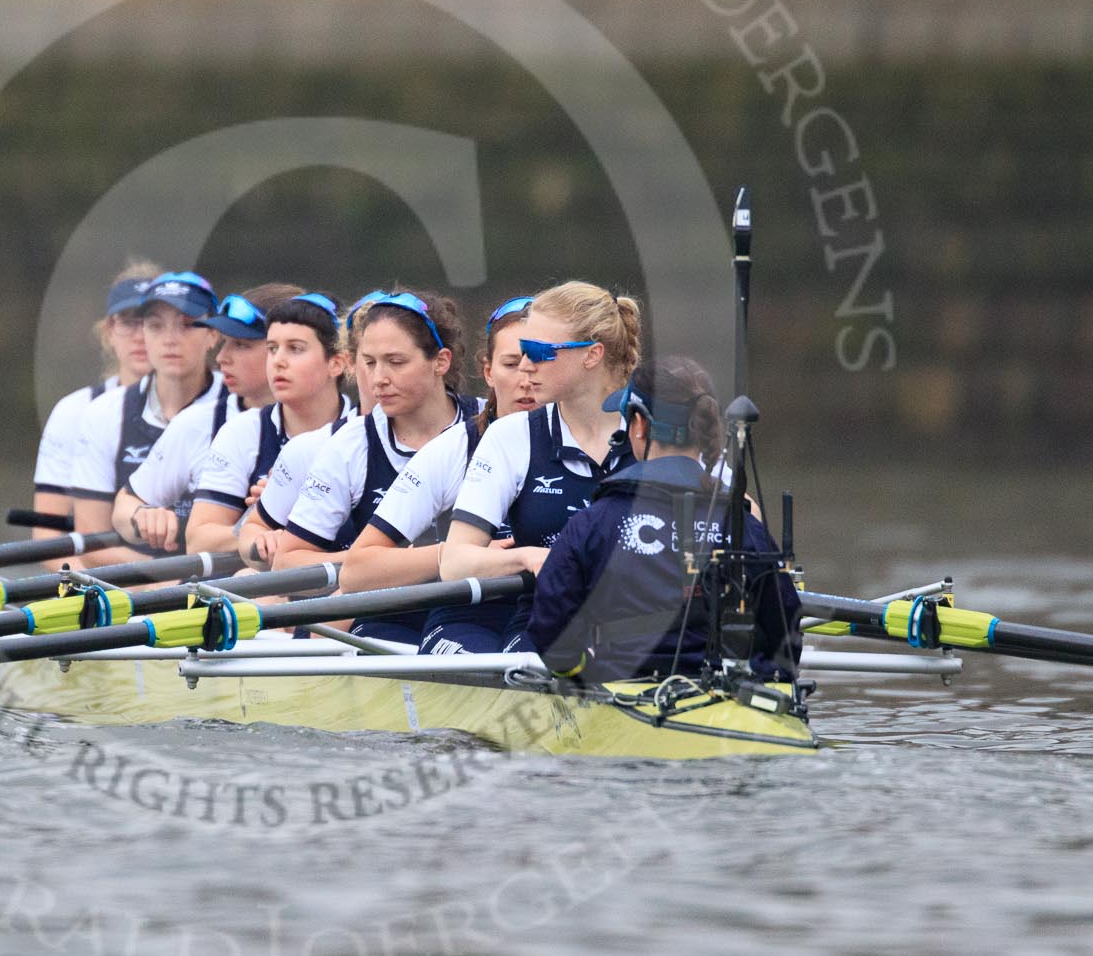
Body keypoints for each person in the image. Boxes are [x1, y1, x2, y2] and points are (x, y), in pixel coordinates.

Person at [527, 355, 800, 682]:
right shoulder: (746, 528)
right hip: (733, 695)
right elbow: (788, 634)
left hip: (623, 693)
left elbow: (549, 632)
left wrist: (582, 676)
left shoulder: (593, 523)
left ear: (639, 424)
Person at [434, 281, 641, 653]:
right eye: (523, 351)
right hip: (547, 628)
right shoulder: (512, 436)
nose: (525, 365)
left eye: (539, 351)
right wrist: (529, 557)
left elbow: (743, 523)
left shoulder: (659, 429)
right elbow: (455, 563)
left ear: (592, 355)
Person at [274, 291, 479, 645]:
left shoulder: (492, 427)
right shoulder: (350, 445)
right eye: (369, 363)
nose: (378, 379)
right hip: (385, 612)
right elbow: (287, 565)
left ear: (441, 361)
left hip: (480, 607)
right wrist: (380, 565)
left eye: (395, 362)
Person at [338, 293, 540, 598]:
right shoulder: (453, 446)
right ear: (488, 372)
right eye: (512, 364)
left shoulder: (609, 443)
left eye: (539, 361)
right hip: (463, 617)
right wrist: (457, 554)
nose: (527, 378)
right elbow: (355, 572)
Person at [111, 282, 301, 553]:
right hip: (224, 587)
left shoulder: (350, 427)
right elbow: (124, 506)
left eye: (241, 345)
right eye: (224, 343)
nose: (222, 357)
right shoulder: (197, 423)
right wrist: (142, 515)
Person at [67, 272, 223, 564]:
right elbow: (92, 543)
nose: (170, 339)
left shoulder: (241, 405)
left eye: (187, 325)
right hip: (136, 585)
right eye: (155, 326)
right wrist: (159, 583)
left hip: (222, 580)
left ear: (213, 335)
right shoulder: (104, 412)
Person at [183, 292, 354, 556]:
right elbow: (198, 541)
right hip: (260, 587)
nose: (278, 361)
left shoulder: (366, 433)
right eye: (272, 348)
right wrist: (261, 519)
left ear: (337, 363)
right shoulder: (244, 431)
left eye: (295, 349)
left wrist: (297, 511)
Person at [233, 290, 385, 568]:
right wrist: (264, 542)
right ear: (349, 361)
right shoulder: (304, 448)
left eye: (397, 360)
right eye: (371, 360)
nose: (278, 361)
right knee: (249, 582)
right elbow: (246, 533)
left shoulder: (459, 434)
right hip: (329, 597)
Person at [30, 258, 157, 530]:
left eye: (152, 323)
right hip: (95, 568)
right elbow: (48, 537)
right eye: (128, 322)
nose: (140, 336)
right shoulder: (74, 411)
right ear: (109, 331)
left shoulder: (211, 410)